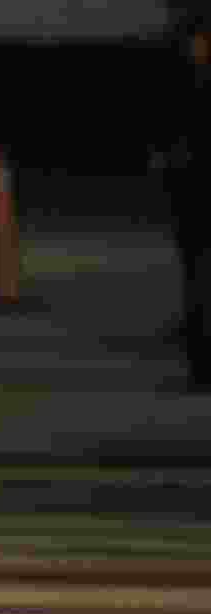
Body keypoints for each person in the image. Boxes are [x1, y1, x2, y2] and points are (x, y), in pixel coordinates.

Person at [151, 11, 210, 391]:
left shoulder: (191, 84)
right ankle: (200, 360)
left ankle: (201, 358)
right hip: (191, 190)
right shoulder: (182, 82)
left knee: (200, 278)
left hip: (194, 186)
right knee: (197, 276)